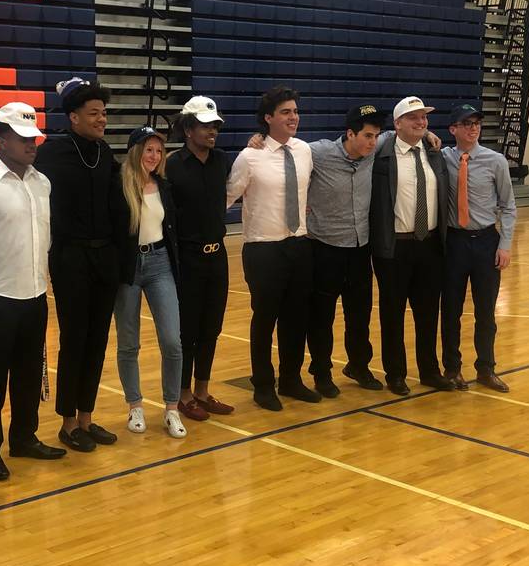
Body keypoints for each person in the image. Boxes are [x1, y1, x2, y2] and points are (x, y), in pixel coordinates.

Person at [0, 103, 67, 480]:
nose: (30, 144)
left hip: (35, 292)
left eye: (33, 138)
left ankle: (25, 437)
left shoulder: (43, 183)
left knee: (26, 372)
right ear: (0, 139)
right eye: (22, 138)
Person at [34, 77, 128, 452]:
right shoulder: (52, 154)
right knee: (74, 340)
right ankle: (68, 422)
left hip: (104, 258)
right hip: (70, 257)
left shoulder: (105, 153)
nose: (102, 119)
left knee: (98, 339)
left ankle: (87, 417)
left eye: (104, 113)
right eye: (94, 113)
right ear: (73, 117)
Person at [226, 85, 317, 411]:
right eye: (285, 112)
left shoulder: (305, 150)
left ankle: (291, 379)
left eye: (295, 111)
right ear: (268, 118)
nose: (293, 117)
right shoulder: (249, 156)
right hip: (263, 249)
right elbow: (227, 197)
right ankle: (263, 385)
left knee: (297, 319)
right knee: (265, 319)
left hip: (299, 244)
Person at [368, 96, 454, 396]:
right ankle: (396, 374)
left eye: (424, 118)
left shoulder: (434, 154)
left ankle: (430, 371)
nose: (421, 122)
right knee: (392, 314)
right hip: (394, 247)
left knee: (429, 312)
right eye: (414, 118)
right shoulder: (382, 152)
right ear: (398, 124)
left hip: (429, 244)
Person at [304, 104, 389, 398]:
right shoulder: (319, 152)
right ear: (350, 133)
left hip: (359, 249)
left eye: (376, 135)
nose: (372, 141)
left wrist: (427, 132)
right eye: (367, 135)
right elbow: (284, 148)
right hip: (324, 248)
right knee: (321, 316)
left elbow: (404, 132)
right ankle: (321, 372)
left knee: (359, 314)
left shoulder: (375, 149)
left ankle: (358, 365)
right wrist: (259, 139)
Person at [113, 127, 186, 438]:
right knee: (129, 342)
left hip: (160, 264)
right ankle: (135, 405)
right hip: (128, 267)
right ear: (135, 152)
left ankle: (172, 408)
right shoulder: (118, 186)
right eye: (149, 150)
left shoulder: (164, 186)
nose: (154, 156)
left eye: (159, 151)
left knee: (172, 340)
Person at [440, 104, 517, 393]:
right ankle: (452, 368)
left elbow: (508, 205)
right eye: (466, 123)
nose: (473, 128)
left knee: (486, 311)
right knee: (450, 310)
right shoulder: (443, 157)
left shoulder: (495, 161)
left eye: (476, 124)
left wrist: (505, 245)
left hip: (486, 241)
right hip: (455, 243)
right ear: (453, 129)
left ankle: (486, 368)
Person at [166, 96, 234, 422]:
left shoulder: (221, 160)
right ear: (189, 129)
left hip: (217, 256)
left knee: (212, 327)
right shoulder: (173, 164)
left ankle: (203, 391)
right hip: (188, 259)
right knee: (187, 331)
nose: (213, 132)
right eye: (206, 126)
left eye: (215, 126)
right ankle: (183, 395)